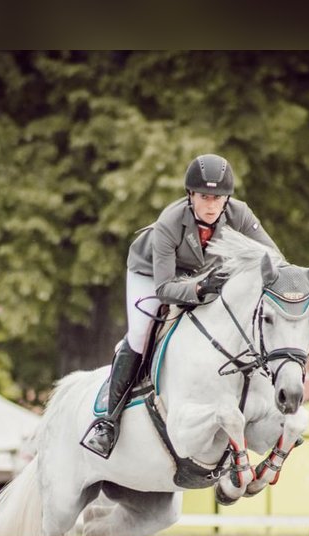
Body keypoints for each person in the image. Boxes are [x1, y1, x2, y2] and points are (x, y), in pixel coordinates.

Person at [80, 152, 284, 458]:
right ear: (190, 195)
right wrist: (200, 288)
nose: (212, 205)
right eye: (204, 196)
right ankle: (108, 422)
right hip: (151, 274)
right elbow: (164, 289)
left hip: (204, 274)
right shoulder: (169, 223)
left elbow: (273, 258)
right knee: (140, 332)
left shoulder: (240, 214)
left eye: (219, 198)